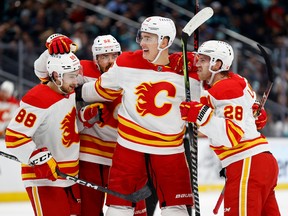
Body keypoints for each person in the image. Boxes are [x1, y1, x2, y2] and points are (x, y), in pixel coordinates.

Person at [79, 16, 201, 216]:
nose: (142, 42)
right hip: (135, 147)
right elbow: (95, 90)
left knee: (174, 207)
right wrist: (66, 89)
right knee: (121, 206)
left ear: (164, 42)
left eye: (148, 38)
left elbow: (214, 95)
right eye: (141, 37)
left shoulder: (188, 69)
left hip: (160, 149)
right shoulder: (187, 69)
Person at [35, 33, 148, 216]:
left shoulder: (131, 71)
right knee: (89, 212)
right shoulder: (82, 71)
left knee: (136, 212)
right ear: (95, 59)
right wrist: (50, 52)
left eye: (114, 55)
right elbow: (45, 75)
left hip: (125, 155)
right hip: (90, 155)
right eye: (104, 57)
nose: (110, 61)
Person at [180, 40, 280, 215]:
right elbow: (248, 113)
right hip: (257, 163)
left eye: (203, 60)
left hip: (246, 163)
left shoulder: (226, 89)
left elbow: (230, 135)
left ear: (217, 64)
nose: (197, 64)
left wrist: (201, 115)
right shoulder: (234, 81)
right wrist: (253, 114)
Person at [5, 51, 82, 216]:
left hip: (70, 176)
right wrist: (39, 158)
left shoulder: (68, 91)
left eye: (76, 75)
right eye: (71, 76)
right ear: (56, 75)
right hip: (44, 179)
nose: (76, 81)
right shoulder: (37, 99)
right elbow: (13, 137)